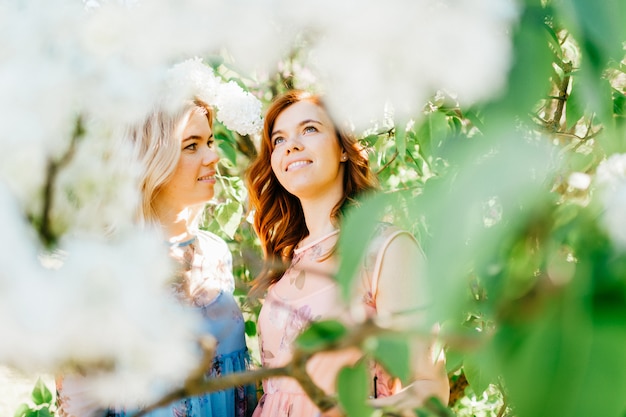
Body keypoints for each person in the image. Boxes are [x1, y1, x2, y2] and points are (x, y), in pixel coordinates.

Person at [245, 90, 450, 416]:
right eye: (278, 140)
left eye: (309, 129)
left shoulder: (385, 249)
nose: (291, 145)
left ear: (343, 148)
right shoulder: (288, 262)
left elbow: (430, 388)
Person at [56, 98, 256, 417]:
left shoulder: (215, 251)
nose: (213, 156)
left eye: (210, 141)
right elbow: (79, 403)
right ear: (151, 159)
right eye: (192, 146)